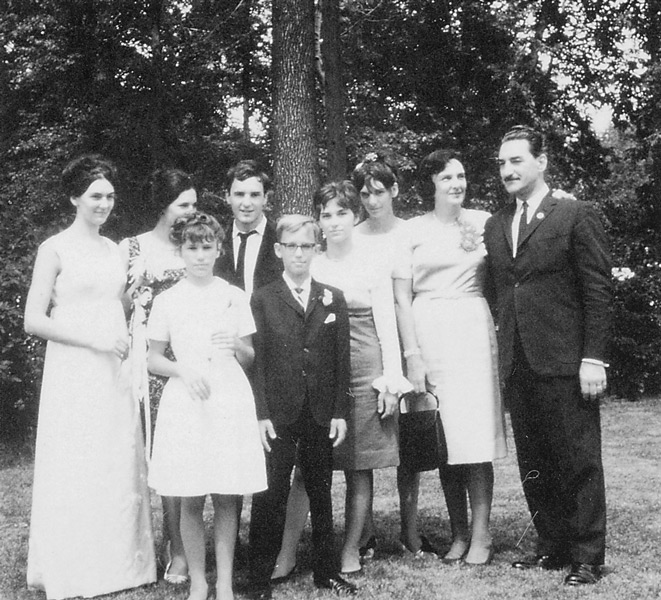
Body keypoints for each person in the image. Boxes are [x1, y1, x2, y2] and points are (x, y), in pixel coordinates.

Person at [483, 125, 611, 585]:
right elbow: (500, 289)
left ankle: (587, 556)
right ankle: (552, 546)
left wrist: (593, 358)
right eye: (502, 163)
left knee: (577, 458)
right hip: (518, 361)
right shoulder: (496, 224)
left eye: (516, 160)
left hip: (565, 360)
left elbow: (597, 290)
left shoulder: (575, 213)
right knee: (534, 461)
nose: (507, 170)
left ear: (542, 162)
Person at [24, 155, 156, 599]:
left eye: (110, 196)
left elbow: (112, 304)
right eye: (95, 195)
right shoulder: (54, 249)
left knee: (113, 458)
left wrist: (136, 297)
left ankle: (121, 566)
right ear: (74, 198)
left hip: (113, 368)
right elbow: (33, 320)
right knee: (77, 460)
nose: (104, 204)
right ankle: (75, 568)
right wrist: (94, 340)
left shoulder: (114, 249)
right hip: (74, 367)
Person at [393, 150, 507, 566]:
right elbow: (401, 298)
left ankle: (481, 535)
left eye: (461, 176)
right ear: (432, 184)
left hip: (472, 330)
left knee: (474, 436)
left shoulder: (484, 222)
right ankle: (458, 533)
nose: (456, 184)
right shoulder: (411, 230)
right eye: (447, 178)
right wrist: (412, 355)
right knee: (445, 436)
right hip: (428, 330)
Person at [147, 212, 267, 600]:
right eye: (192, 247)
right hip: (187, 401)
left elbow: (249, 356)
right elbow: (153, 358)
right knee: (191, 494)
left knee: (228, 493)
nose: (200, 255)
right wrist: (182, 370)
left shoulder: (234, 296)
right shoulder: (167, 300)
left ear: (218, 250)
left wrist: (236, 345)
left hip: (228, 397)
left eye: (207, 247)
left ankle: (225, 582)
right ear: (181, 251)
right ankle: (199, 580)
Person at [248, 214, 357, 599]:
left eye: (306, 246)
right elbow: (258, 361)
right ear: (278, 250)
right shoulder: (263, 298)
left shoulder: (332, 296)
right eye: (291, 246)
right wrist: (261, 413)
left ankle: (327, 571)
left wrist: (340, 410)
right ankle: (258, 578)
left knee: (321, 491)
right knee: (271, 493)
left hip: (320, 409)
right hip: (279, 411)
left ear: (316, 249)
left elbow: (341, 358)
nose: (299, 253)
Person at [119, 168, 197, 584]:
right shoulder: (132, 247)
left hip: (190, 362)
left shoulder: (194, 245)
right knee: (164, 456)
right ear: (163, 206)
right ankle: (176, 548)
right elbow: (116, 307)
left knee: (192, 452)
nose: (191, 211)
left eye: (194, 203)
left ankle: (193, 539)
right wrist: (133, 294)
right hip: (149, 364)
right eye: (183, 204)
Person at [214, 159, 282, 297]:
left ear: (265, 198)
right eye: (239, 194)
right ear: (228, 197)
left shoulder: (282, 240)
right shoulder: (215, 242)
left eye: (254, 195)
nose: (246, 203)